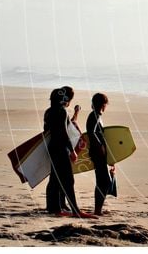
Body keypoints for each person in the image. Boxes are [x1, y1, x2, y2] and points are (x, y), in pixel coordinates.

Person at [43, 86, 93, 217]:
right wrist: (72, 150)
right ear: (65, 99)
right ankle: (76, 211)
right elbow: (64, 133)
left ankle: (53, 208)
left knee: (54, 179)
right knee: (68, 180)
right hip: (61, 148)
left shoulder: (48, 112)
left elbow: (48, 131)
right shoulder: (62, 111)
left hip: (51, 147)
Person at [86, 92, 116, 215]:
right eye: (105, 104)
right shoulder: (95, 115)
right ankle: (97, 210)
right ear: (103, 105)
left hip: (99, 152)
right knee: (103, 182)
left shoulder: (96, 115)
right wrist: (100, 146)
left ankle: (98, 209)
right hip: (97, 152)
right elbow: (91, 132)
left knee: (103, 181)